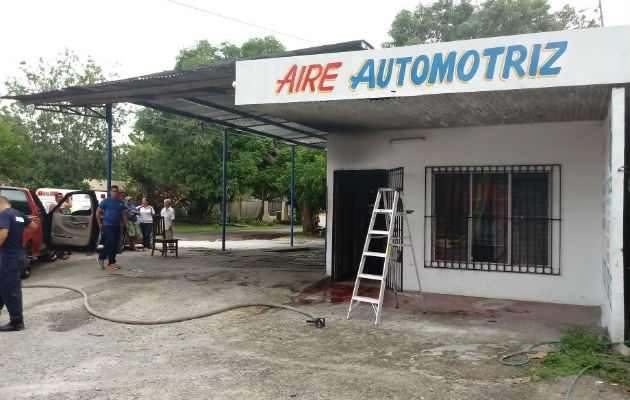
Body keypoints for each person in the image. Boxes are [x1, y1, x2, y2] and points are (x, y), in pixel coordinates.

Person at [0, 196, 38, 331]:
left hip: (9, 258)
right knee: (3, 286)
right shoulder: (17, 213)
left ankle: (17, 322)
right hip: (19, 256)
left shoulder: (4, 214)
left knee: (11, 290)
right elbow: (33, 226)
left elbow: (3, 234)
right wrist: (17, 230)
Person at [96, 186, 128, 270]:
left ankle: (111, 263)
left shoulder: (120, 202)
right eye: (114, 191)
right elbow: (98, 211)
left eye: (117, 191)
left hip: (117, 225)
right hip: (107, 225)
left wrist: (126, 224)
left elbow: (123, 214)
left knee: (115, 244)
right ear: (110, 192)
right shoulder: (106, 201)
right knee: (110, 241)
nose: (116, 193)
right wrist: (99, 223)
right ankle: (101, 257)